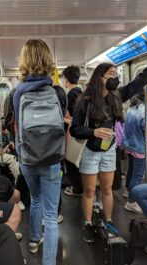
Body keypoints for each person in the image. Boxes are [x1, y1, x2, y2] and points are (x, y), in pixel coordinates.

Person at [70, 50, 147, 243]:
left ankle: (109, 220)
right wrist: (93, 132)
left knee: (107, 189)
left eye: (116, 74)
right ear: (99, 78)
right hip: (90, 151)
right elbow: (75, 130)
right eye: (111, 74)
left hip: (109, 150)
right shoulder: (85, 102)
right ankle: (87, 223)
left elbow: (139, 82)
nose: (115, 78)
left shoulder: (116, 96)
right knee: (89, 192)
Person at [13, 39, 68, 265]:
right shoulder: (58, 93)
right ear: (48, 60)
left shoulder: (17, 93)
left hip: (27, 158)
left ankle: (34, 242)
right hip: (51, 160)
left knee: (34, 199)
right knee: (50, 215)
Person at [123, 90, 147, 213]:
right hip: (140, 148)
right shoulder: (146, 111)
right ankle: (131, 202)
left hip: (130, 146)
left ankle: (128, 191)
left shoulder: (131, 108)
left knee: (131, 172)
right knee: (138, 176)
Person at [62, 65, 83, 197]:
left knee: (70, 161)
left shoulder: (69, 95)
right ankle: (80, 186)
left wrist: (64, 118)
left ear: (66, 80)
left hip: (71, 132)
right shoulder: (82, 93)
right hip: (81, 132)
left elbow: (69, 117)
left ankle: (77, 188)